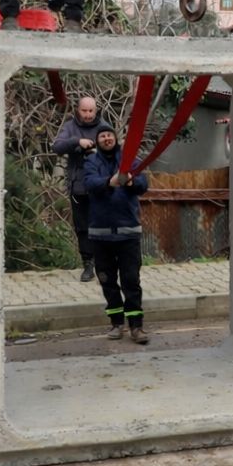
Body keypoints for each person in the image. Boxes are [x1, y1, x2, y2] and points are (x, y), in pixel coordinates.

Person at [83, 124, 150, 344]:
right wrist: (108, 182)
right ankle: (116, 323)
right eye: (102, 136)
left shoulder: (129, 160)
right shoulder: (91, 161)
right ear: (98, 140)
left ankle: (136, 327)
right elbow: (89, 184)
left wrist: (130, 181)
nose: (106, 138)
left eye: (109, 135)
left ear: (116, 138)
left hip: (128, 233)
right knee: (107, 281)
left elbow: (143, 184)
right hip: (100, 235)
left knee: (131, 281)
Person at [52, 96, 109, 282]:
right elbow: (57, 146)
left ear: (96, 110)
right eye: (84, 111)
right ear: (78, 110)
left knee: (102, 225)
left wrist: (97, 150)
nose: (87, 114)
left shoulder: (103, 125)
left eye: (91, 111)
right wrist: (77, 142)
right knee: (82, 228)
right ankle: (88, 265)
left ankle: (104, 265)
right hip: (79, 186)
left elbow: (115, 149)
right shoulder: (70, 126)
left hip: (100, 185)